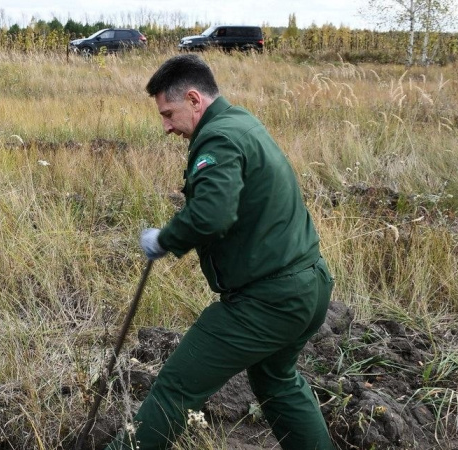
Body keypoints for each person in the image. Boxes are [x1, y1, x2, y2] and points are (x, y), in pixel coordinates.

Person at [106, 54, 334, 450]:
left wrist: (165, 238)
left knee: (175, 388)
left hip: (268, 300)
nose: (165, 127)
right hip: (309, 286)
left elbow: (213, 213)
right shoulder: (241, 121)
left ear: (194, 99)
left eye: (168, 113)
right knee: (277, 382)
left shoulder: (218, 138)